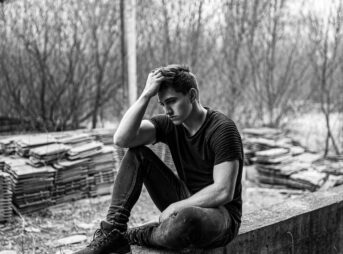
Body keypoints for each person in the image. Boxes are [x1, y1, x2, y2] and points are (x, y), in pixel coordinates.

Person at [74, 64, 243, 254]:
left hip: (221, 216)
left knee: (186, 220)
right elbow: (122, 139)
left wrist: (176, 206)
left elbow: (223, 191)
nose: (167, 110)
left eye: (172, 101)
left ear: (192, 95)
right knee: (137, 154)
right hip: (185, 199)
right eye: (163, 104)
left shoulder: (222, 129)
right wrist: (146, 94)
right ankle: (113, 231)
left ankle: (138, 235)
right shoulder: (170, 124)